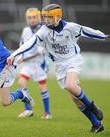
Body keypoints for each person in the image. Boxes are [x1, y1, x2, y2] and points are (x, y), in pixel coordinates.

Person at [7, 4, 108, 133]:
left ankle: (92, 106)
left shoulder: (70, 27)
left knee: (71, 86)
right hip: (60, 65)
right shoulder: (44, 30)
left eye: (49, 17)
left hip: (73, 60)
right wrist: (14, 54)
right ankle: (96, 124)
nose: (46, 20)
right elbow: (30, 43)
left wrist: (103, 36)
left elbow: (87, 31)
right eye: (44, 17)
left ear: (58, 17)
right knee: (75, 98)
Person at [17, 7, 51, 119]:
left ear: (39, 18)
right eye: (29, 18)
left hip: (40, 63)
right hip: (28, 64)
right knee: (21, 83)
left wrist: (26, 58)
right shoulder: (25, 30)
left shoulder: (45, 30)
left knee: (42, 87)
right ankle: (28, 109)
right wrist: (21, 56)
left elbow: (44, 50)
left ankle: (47, 113)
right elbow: (22, 45)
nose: (32, 20)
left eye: (34, 17)